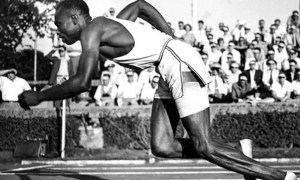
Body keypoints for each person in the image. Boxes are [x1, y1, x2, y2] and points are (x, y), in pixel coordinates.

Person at [18, 0, 297, 179]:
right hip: (167, 66)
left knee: (205, 145)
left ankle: (283, 177)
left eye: (59, 25)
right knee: (162, 145)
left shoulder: (91, 31)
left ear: (77, 17)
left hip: (176, 61)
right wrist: (168, 34)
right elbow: (140, 6)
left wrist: (39, 95)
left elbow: (80, 82)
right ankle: (238, 149)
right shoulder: (108, 26)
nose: (58, 32)